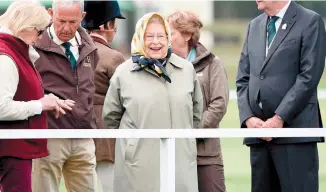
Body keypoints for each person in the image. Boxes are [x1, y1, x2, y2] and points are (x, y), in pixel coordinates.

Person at [102, 12, 203, 192]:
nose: (155, 42)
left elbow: (196, 113)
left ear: (168, 38)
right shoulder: (124, 73)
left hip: (179, 158)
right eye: (149, 36)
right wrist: (132, 146)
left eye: (161, 36)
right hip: (137, 162)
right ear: (140, 37)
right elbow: (111, 117)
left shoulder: (187, 70)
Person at [236, 0, 325, 191]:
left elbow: (309, 77)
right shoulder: (254, 25)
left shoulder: (310, 21)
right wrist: (249, 118)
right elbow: (243, 79)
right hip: (259, 137)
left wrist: (279, 118)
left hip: (295, 135)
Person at [0, 1, 74, 192]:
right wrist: (40, 105)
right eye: (39, 32)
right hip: (10, 150)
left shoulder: (12, 52)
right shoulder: (6, 57)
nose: (40, 38)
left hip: (14, 149)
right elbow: (2, 107)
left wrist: (47, 101)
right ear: (26, 27)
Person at [31, 0, 100, 191]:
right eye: (61, 20)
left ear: (82, 18)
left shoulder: (90, 47)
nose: (66, 28)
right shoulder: (33, 46)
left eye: (73, 22)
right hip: (49, 135)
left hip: (83, 136)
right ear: (51, 13)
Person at [167, 10, 229, 192]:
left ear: (186, 35)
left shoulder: (212, 64)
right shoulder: (162, 66)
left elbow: (219, 104)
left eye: (170, 33)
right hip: (173, 152)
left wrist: (192, 132)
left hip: (206, 154)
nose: (164, 38)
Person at [82, 1, 126, 192]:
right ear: (105, 25)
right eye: (114, 22)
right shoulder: (113, 57)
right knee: (111, 185)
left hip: (77, 130)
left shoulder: (74, 49)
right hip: (106, 133)